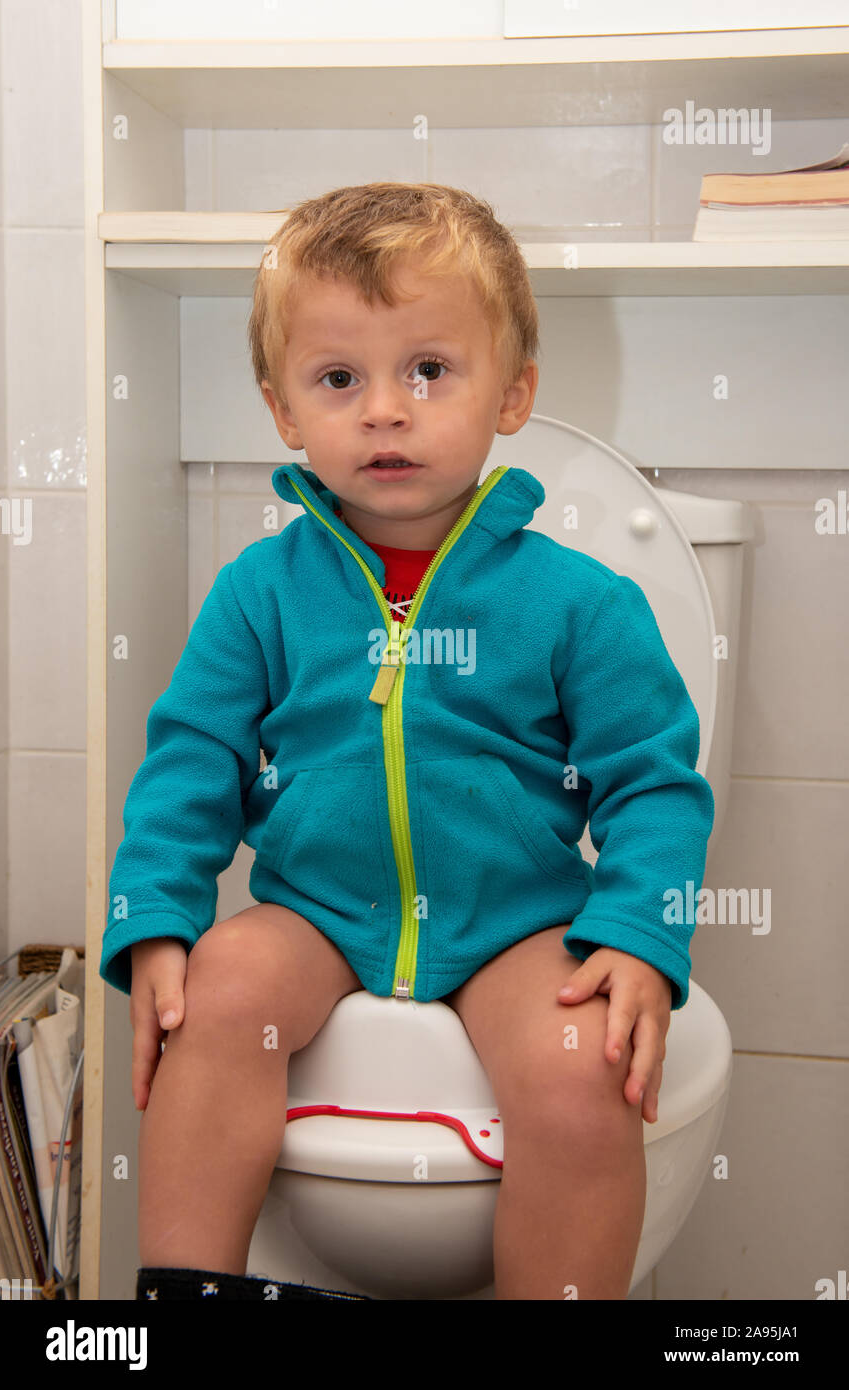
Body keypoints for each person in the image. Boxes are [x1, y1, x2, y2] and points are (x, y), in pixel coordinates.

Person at [100, 182, 714, 1301]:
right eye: (339, 378)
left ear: (511, 391)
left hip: (513, 920)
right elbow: (190, 760)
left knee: (584, 1071)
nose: (384, 410)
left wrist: (636, 930)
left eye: (427, 370)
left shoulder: (581, 601)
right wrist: (156, 919)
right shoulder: (260, 594)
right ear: (285, 410)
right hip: (318, 912)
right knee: (219, 995)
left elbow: (654, 786)